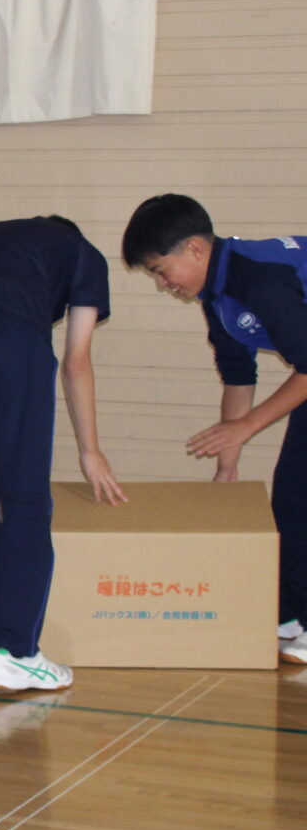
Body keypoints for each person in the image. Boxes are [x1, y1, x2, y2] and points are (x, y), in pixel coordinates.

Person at [0, 216, 126, 694]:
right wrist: (90, 450)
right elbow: (77, 360)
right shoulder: (83, 253)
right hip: (9, 338)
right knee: (25, 499)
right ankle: (17, 652)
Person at [122, 194, 307, 665]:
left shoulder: (261, 280)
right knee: (291, 496)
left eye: (163, 270)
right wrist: (228, 466)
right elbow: (239, 376)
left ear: (196, 250)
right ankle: (290, 614)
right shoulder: (217, 295)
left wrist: (245, 428)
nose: (164, 285)